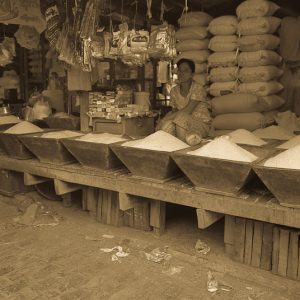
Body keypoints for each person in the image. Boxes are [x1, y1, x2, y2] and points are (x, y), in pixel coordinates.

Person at [157, 58, 211, 145]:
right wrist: (163, 123)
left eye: (186, 70)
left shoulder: (198, 88)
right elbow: (174, 111)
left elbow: (187, 110)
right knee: (166, 127)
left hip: (200, 125)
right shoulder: (174, 90)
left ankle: (183, 149)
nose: (181, 73)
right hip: (181, 124)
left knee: (180, 118)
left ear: (192, 74)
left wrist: (165, 119)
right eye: (179, 70)